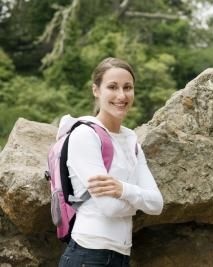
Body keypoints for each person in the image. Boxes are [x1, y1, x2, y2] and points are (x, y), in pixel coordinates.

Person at [58, 57, 164, 267]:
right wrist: (138, 201)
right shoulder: (85, 135)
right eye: (112, 87)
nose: (121, 95)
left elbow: (157, 204)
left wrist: (122, 189)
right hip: (88, 255)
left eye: (128, 87)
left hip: (121, 256)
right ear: (96, 90)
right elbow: (109, 207)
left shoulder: (131, 139)